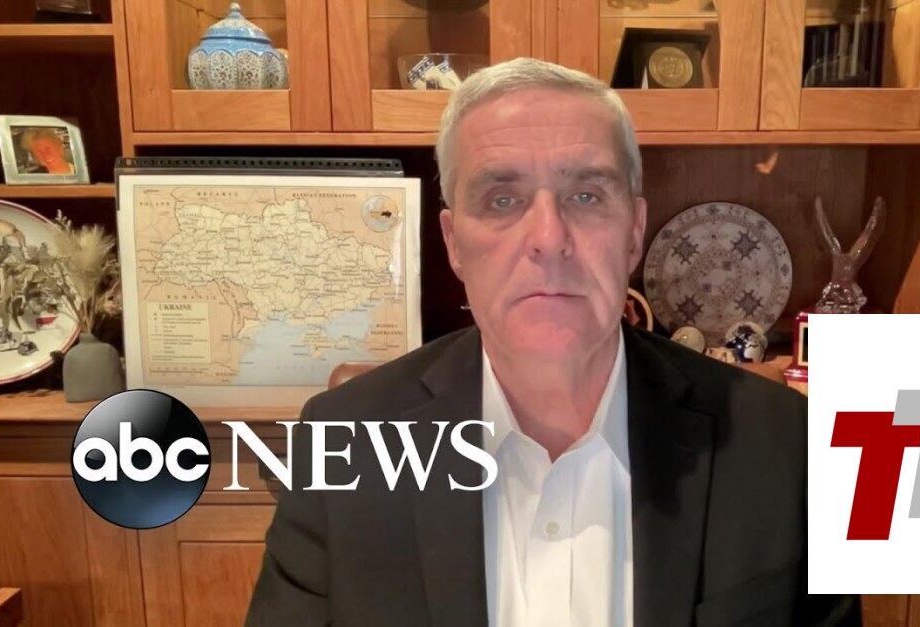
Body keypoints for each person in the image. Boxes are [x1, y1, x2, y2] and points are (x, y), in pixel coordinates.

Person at [245, 57, 861, 627]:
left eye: (586, 196)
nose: (548, 237)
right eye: (502, 199)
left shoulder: (785, 444)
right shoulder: (345, 446)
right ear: (454, 244)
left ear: (634, 233)